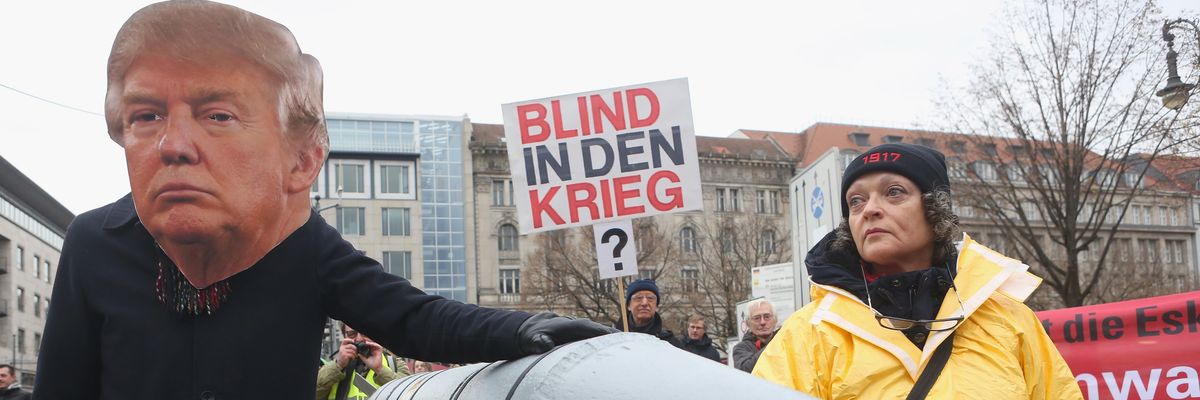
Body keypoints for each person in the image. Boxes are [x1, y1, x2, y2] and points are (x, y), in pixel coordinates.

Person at [34, 2, 614, 398]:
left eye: (218, 115)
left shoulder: (303, 246)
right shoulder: (94, 243)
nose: (173, 145)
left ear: (300, 160)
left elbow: (411, 317)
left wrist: (527, 329)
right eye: (146, 115)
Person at [752, 143, 1082, 398]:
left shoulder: (1008, 319)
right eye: (856, 201)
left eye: (894, 192)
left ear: (934, 209)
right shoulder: (808, 334)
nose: (870, 209)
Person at [316, 323, 409, 399]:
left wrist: (380, 370)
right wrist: (338, 366)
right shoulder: (332, 367)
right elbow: (312, 393)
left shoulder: (395, 364)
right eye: (352, 334)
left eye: (365, 333)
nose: (359, 339)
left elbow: (409, 395)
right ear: (344, 336)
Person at [619, 279, 680, 346]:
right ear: (628, 306)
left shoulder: (670, 343)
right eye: (639, 298)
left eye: (650, 298)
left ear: (656, 305)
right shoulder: (615, 340)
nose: (644, 303)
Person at [732, 299, 777, 372]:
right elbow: (745, 370)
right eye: (757, 318)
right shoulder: (741, 348)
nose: (762, 322)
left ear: (775, 320)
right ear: (748, 323)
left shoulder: (785, 342)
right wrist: (775, 344)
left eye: (767, 317)